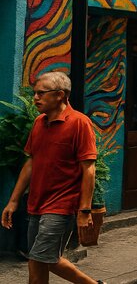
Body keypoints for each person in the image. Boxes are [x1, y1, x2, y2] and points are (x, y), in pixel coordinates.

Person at [1, 72, 105, 284]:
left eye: (41, 93)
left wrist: (84, 210)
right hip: (36, 203)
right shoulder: (40, 122)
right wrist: (13, 201)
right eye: (34, 93)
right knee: (38, 260)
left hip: (62, 205)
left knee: (41, 258)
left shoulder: (79, 123)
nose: (35, 98)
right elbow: (30, 163)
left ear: (60, 95)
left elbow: (89, 169)